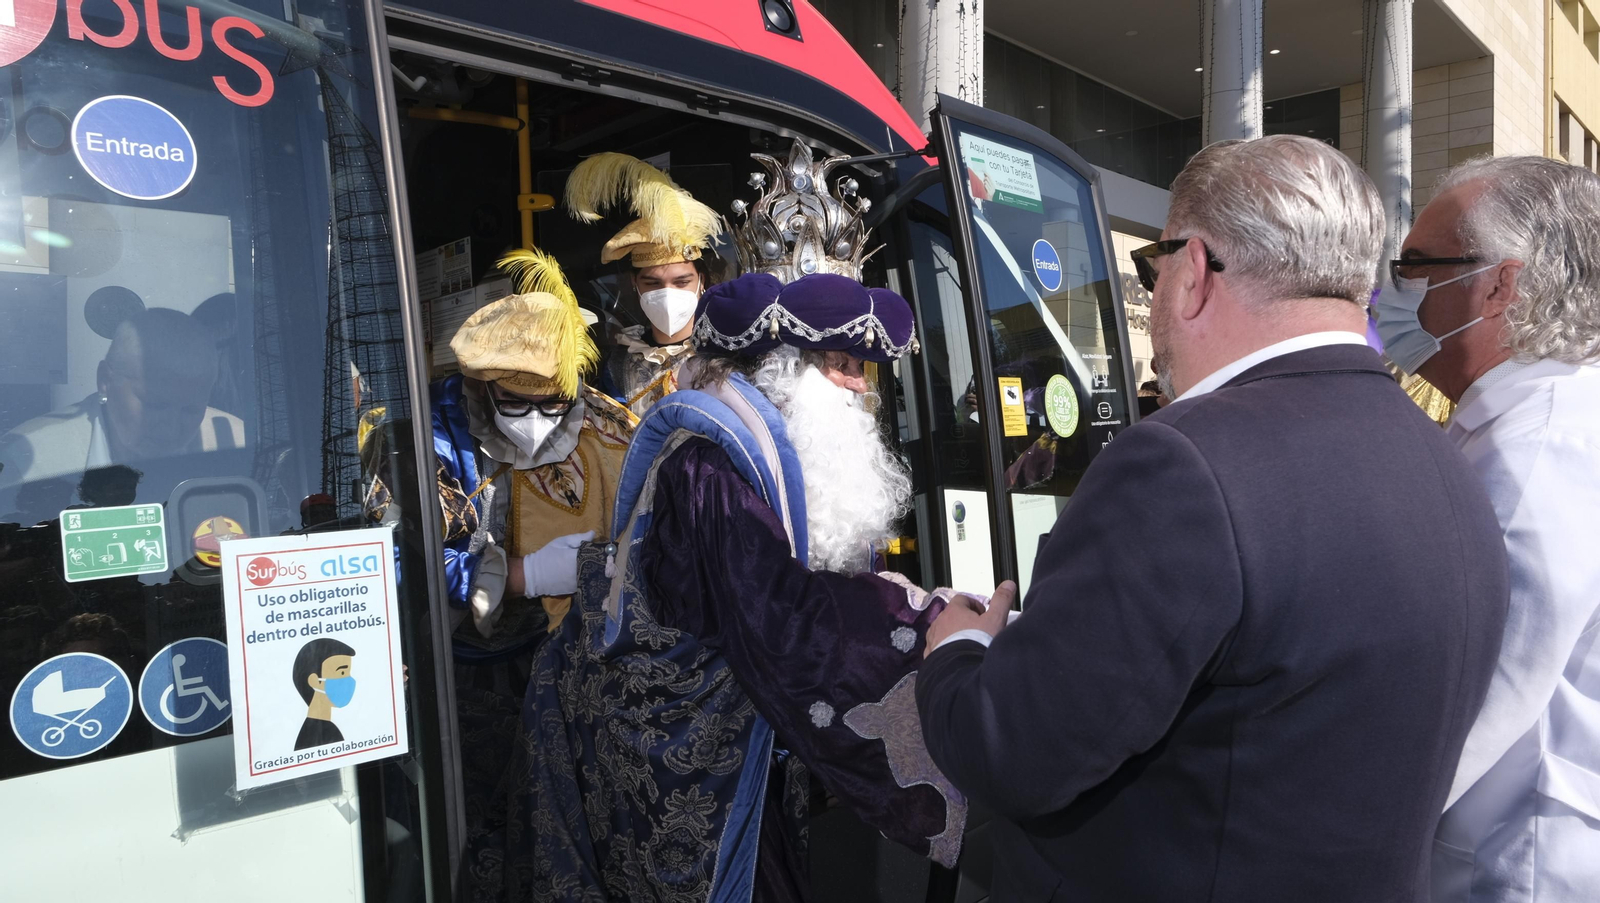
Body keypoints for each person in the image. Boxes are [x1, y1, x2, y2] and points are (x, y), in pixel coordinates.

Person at [916, 135, 1510, 901]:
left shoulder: (1179, 466)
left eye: (1154, 269)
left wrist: (958, 649)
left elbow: (1014, 749)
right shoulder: (1445, 460)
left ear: (1191, 270)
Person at [466, 142, 964, 902]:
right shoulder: (718, 462)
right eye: (846, 365)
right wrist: (929, 630)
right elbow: (784, 622)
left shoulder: (773, 440)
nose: (861, 391)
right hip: (670, 767)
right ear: (787, 362)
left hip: (734, 744)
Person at [1374, 155, 1600, 902]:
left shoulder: (1539, 452)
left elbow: (1467, 697)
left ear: (1501, 284)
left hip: (1512, 866)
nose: (1389, 294)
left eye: (1415, 267)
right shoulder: (1521, 422)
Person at [433, 248, 636, 658]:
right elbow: (392, 560)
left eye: (553, 403)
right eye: (514, 401)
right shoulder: (435, 436)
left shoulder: (605, 421)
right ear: (484, 385)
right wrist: (519, 577)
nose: (535, 417)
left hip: (580, 638)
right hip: (462, 650)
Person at [0, 308, 245, 489]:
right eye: (155, 405)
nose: (170, 428)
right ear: (105, 381)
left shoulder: (238, 445)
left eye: (191, 410)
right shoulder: (28, 463)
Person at [565, 152, 723, 416]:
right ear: (634, 284)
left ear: (701, 281)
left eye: (681, 282)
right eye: (653, 283)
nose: (667, 293)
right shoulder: (617, 366)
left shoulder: (724, 354)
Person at [292, 638, 355, 750]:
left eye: (348, 673)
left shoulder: (319, 728)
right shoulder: (323, 734)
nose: (349, 680)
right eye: (342, 672)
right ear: (315, 681)